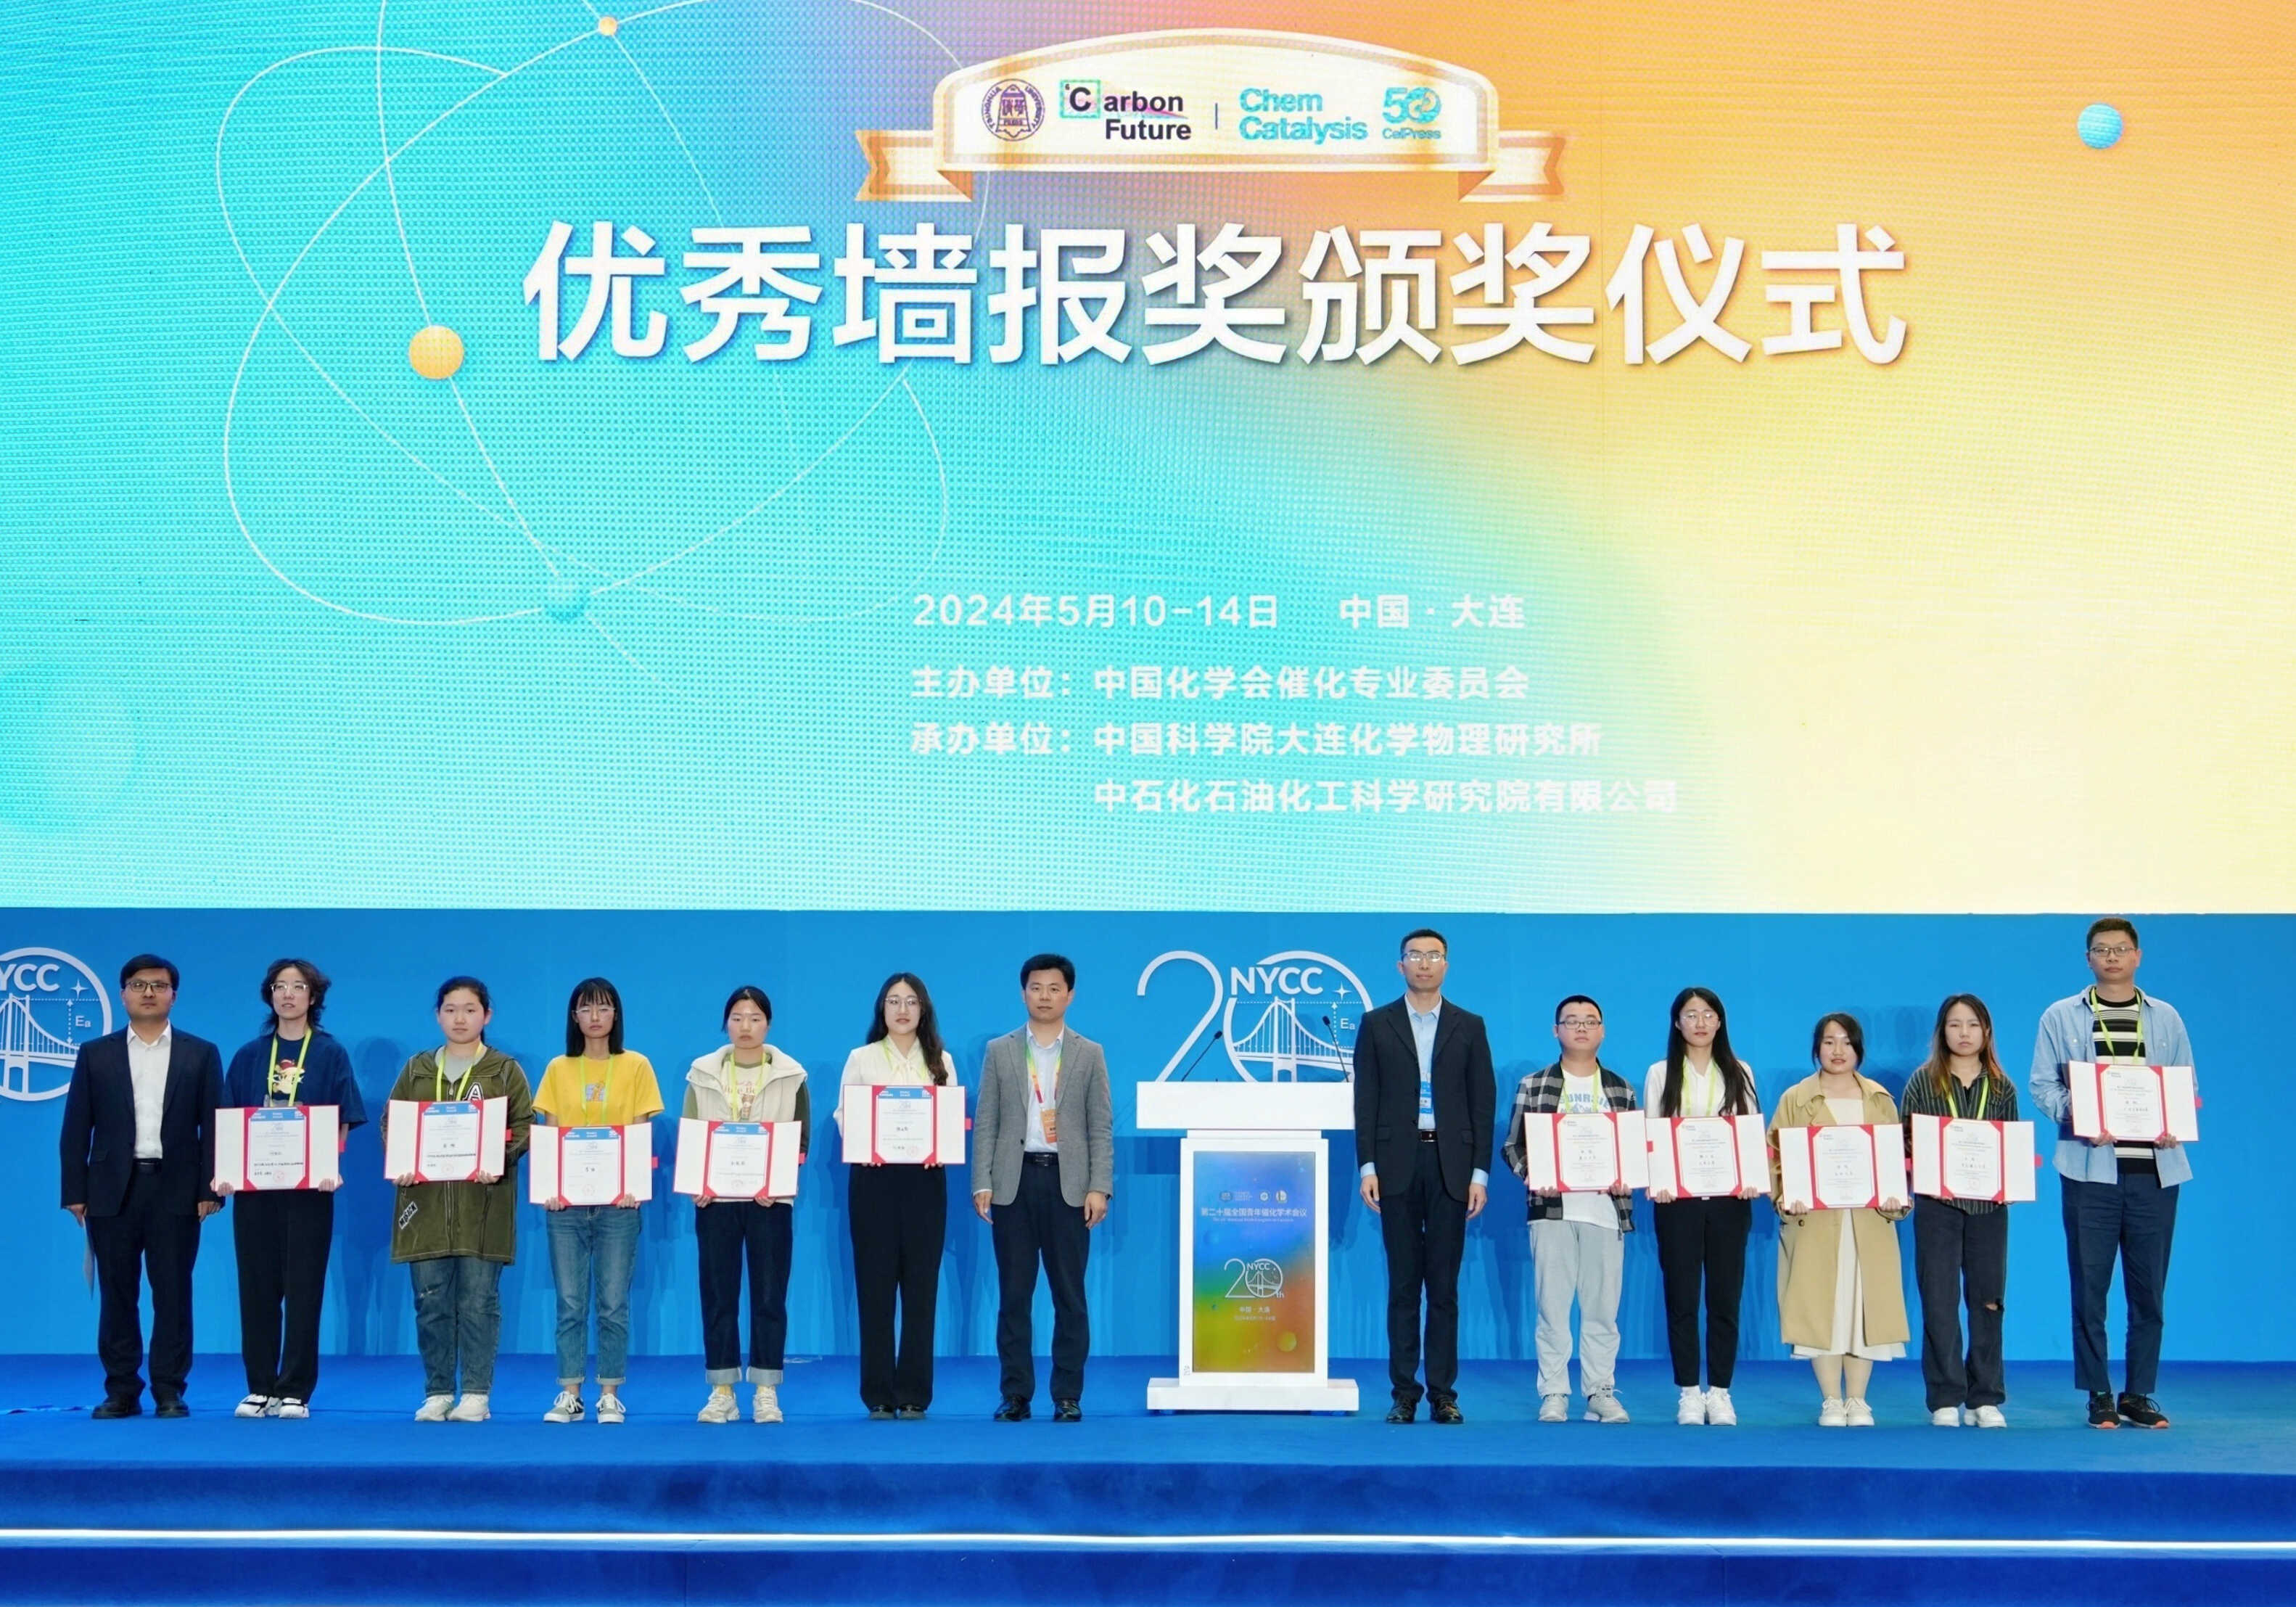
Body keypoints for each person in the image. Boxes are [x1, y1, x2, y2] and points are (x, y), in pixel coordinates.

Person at [2029, 918, 2193, 1430]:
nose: (2112, 957)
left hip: (2154, 1174)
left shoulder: (2165, 1017)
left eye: (2121, 949)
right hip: (2089, 1170)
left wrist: (2174, 1121)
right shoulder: (2060, 1015)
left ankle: (2138, 1393)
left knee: (2149, 1291)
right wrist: (2080, 1114)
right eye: (2102, 950)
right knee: (2089, 1287)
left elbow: (2184, 1085)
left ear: (2137, 956)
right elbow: (2042, 1085)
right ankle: (2098, 1393)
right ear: (2088, 959)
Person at [58, 954, 223, 1418]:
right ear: (123, 994)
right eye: (138, 984)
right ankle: (121, 1391)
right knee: (116, 1294)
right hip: (111, 1190)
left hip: (178, 1189)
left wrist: (211, 1188)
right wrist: (75, 1191)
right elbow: (76, 1128)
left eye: (158, 985)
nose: (148, 992)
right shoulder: (96, 1054)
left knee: (173, 1294)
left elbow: (214, 1126)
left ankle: (169, 1389)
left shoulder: (200, 1053)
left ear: (174, 995)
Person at [1353, 928, 1495, 1425]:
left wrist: (1479, 1173)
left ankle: (1443, 1393)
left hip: (1450, 1166)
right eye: (1415, 955)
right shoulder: (1377, 1024)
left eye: (1434, 955)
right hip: (1396, 1163)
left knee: (1444, 1287)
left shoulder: (1469, 1025)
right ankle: (1404, 1393)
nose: (1424, 963)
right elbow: (1365, 1100)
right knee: (1402, 1284)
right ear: (1400, 965)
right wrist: (1367, 1165)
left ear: (1446, 965)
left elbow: (1482, 1103)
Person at [216, 959, 366, 1418]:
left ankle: (295, 1389)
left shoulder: (329, 1053)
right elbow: (231, 1120)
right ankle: (260, 1386)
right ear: (270, 995)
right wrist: (226, 1171)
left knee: (304, 1289)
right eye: (280, 986)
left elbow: (342, 1117)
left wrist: (330, 1164)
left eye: (298, 986)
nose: (288, 994)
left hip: (310, 1190)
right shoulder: (249, 1055)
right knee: (257, 1289)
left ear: (313, 996)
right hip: (255, 1189)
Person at [972, 953, 1114, 1422]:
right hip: (1013, 1183)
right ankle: (1015, 1394)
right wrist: (981, 1181)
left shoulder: (1089, 1053)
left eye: (1054, 988)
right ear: (1023, 993)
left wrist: (1099, 1186)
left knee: (1069, 1297)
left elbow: (1100, 1126)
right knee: (1014, 1296)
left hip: (1068, 1185)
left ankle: (1067, 1394)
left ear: (1070, 995)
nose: (1045, 996)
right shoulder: (1000, 1050)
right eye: (1036, 987)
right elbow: (987, 1121)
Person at [385, 976, 533, 1423]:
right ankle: (437, 1392)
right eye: (450, 1010)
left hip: (482, 1205)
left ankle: (475, 1393)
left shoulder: (504, 1070)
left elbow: (525, 1126)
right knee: (430, 1302)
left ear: (487, 1016)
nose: (460, 1018)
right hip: (424, 1207)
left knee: (478, 1303)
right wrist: (401, 1159)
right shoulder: (416, 1069)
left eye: (470, 1010)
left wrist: (499, 1158)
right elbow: (392, 1123)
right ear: (438, 1016)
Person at [532, 977, 663, 1426]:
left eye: (603, 1008)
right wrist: (549, 1188)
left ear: (616, 1015)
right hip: (566, 1206)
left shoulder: (636, 1065)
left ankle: (609, 1393)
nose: (594, 1017)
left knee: (612, 1303)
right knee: (570, 1302)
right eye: (586, 1009)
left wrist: (635, 1186)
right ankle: (570, 1393)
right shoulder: (558, 1068)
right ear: (574, 1017)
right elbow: (550, 1133)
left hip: (619, 1205)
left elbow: (641, 1132)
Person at [1769, 1013, 1909, 1426]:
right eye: (1829, 1042)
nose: (1838, 1050)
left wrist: (1895, 1195)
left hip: (1869, 1221)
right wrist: (1786, 1197)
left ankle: (1859, 1400)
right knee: (1822, 1308)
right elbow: (1775, 1156)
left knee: (1863, 1308)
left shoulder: (1880, 1099)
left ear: (1859, 1049)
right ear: (1817, 1048)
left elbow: (1896, 1158)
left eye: (1847, 1042)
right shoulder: (1796, 1099)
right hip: (1815, 1222)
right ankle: (1831, 1399)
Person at [1504, 995, 1638, 1425]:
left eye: (1590, 1021)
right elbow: (1513, 1146)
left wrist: (1627, 1175)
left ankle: (1600, 1391)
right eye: (1572, 1021)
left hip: (1606, 1211)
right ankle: (1554, 1392)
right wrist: (1533, 1174)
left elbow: (1633, 1151)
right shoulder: (1534, 1084)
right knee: (1553, 1308)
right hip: (1552, 1211)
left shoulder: (1621, 1088)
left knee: (1603, 1311)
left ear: (1603, 1031)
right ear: (1556, 1030)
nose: (1582, 1028)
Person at [684, 985, 808, 1425]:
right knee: (719, 1296)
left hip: (770, 1201)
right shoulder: (702, 1073)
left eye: (755, 1018)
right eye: (737, 1018)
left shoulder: (792, 1075)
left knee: (770, 1296)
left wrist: (779, 1182)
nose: (746, 1026)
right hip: (716, 1201)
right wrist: (697, 1182)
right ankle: (722, 1390)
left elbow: (800, 1140)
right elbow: (692, 1133)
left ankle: (766, 1390)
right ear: (726, 1024)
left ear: (768, 1024)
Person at [837, 972, 958, 1420]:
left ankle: (913, 1394)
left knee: (921, 1290)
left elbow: (949, 1117)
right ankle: (879, 1394)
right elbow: (844, 1114)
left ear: (923, 1009)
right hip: (874, 1182)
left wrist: (939, 1147)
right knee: (875, 1289)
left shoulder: (941, 1060)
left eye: (910, 1001)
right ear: (882, 1010)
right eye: (893, 1001)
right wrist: (864, 1144)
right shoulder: (862, 1058)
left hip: (926, 1183)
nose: (902, 1010)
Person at [1643, 987, 1761, 1427]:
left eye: (1708, 1014)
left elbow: (1749, 1131)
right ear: (1677, 1023)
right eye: (1691, 1015)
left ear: (1720, 1022)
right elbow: (1652, 1132)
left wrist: (1750, 1177)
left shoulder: (1740, 1071)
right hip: (1678, 1202)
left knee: (1725, 1298)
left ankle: (1721, 1392)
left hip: (1730, 1200)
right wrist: (1660, 1181)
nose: (1700, 1022)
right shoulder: (1660, 1073)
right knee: (1683, 1298)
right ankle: (1689, 1392)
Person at [1901, 994, 2018, 1428]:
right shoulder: (1922, 1082)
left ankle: (1984, 1397)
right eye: (1954, 1024)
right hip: (1938, 1205)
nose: (1964, 1033)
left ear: (1986, 1031)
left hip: (1989, 1207)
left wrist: (2009, 1180)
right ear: (1942, 1032)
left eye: (1972, 1024)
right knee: (1939, 1300)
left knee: (1988, 1301)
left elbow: (2010, 1146)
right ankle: (1946, 1397)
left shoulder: (2003, 1087)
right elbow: (1906, 1140)